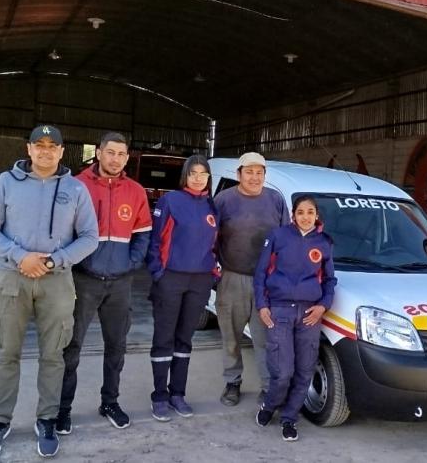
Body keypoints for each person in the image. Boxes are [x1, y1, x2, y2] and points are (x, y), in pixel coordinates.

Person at [0, 125, 98, 460]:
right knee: (6, 353)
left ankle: (47, 419)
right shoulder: (6, 183)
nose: (45, 151)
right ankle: (0, 421)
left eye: (52, 146)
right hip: (12, 278)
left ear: (62, 151)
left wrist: (55, 260)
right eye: (39, 145)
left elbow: (89, 236)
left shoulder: (75, 189)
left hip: (57, 281)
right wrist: (20, 257)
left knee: (54, 354)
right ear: (28, 149)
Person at [57, 132, 152, 435]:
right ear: (98, 153)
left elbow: (144, 234)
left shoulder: (136, 191)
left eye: (121, 154)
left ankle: (109, 401)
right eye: (110, 152)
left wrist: (131, 264)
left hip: (120, 283)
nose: (115, 159)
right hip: (83, 281)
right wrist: (76, 262)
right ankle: (62, 409)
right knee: (70, 347)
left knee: (117, 347)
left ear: (127, 157)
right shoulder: (76, 186)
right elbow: (61, 231)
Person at [254, 196, 336, 441]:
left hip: (310, 314)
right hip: (279, 311)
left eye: (310, 212)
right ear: (293, 215)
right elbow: (260, 274)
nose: (305, 216)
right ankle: (269, 406)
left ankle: (289, 419)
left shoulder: (324, 242)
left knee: (304, 371)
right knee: (283, 372)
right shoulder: (278, 236)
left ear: (317, 215)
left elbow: (330, 280)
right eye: (301, 212)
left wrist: (323, 306)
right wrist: (262, 305)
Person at [145, 155, 219, 422]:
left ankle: (178, 393)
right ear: (185, 176)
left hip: (199, 282)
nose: (198, 178)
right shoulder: (170, 201)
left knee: (185, 339)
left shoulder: (211, 206)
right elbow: (155, 240)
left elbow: (215, 244)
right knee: (164, 337)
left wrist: (212, 271)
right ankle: (159, 395)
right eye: (193, 173)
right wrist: (158, 273)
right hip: (171, 279)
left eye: (203, 174)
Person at [214, 152, 290, 406]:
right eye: (249, 172)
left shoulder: (276, 200)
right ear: (239, 174)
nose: (255, 177)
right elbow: (210, 237)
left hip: (266, 283)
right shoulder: (223, 200)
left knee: (265, 338)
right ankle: (232, 383)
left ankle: (268, 387)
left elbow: (287, 241)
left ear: (265, 175)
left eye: (259, 172)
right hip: (232, 278)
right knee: (231, 337)